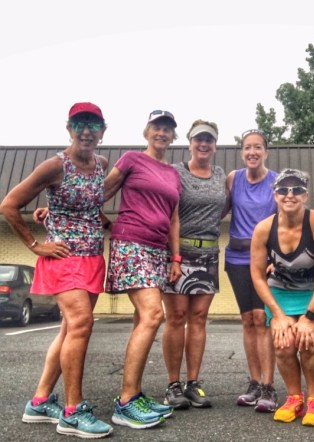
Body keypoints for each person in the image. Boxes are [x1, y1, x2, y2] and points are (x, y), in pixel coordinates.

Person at [0, 102, 113, 438]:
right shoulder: (54, 165)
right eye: (79, 124)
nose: (86, 131)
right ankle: (73, 411)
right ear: (68, 128)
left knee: (68, 330)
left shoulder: (101, 164)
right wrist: (36, 245)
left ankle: (38, 402)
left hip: (92, 257)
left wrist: (110, 226)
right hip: (63, 258)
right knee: (81, 324)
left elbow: (86, 205)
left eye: (93, 125)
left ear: (103, 130)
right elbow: (9, 205)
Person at [104, 110, 181, 429]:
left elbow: (173, 218)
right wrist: (102, 223)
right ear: (147, 131)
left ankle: (134, 393)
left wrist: (175, 258)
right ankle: (125, 403)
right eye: (156, 127)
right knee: (153, 314)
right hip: (131, 242)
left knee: (142, 320)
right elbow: (99, 193)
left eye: (167, 129)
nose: (161, 132)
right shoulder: (131, 160)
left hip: (157, 249)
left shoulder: (173, 173)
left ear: (173, 136)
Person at [250, 168, 314, 427]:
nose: (290, 195)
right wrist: (278, 316)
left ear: (306, 195)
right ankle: (294, 397)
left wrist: (309, 317)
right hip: (281, 292)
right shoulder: (263, 229)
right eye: (283, 189)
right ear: (275, 195)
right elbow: (257, 276)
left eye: (297, 189)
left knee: (307, 340)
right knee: (283, 343)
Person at [162, 119, 227, 410]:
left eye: (209, 140)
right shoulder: (175, 172)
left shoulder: (220, 175)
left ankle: (192, 383)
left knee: (199, 318)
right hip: (178, 253)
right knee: (176, 318)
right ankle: (172, 385)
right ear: (189, 143)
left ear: (215, 145)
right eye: (199, 139)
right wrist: (174, 256)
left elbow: (223, 207)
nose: (204, 144)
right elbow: (167, 211)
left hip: (209, 253)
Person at [224, 129, 278, 412]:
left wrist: (279, 256)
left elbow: (286, 221)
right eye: (247, 147)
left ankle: (269, 386)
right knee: (247, 320)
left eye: (257, 147)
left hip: (266, 260)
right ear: (242, 152)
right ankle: (254, 383)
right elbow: (217, 210)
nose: (252, 152)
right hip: (236, 258)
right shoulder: (233, 179)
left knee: (263, 319)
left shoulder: (277, 181)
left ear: (266, 151)